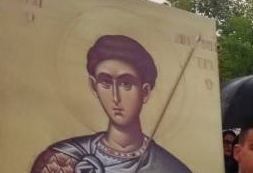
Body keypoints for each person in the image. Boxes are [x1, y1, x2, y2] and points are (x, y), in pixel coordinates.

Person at [31, 35, 191, 173]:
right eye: (106, 83)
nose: (115, 97)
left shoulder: (170, 168)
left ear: (145, 92)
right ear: (94, 86)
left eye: (126, 84)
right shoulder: (63, 159)